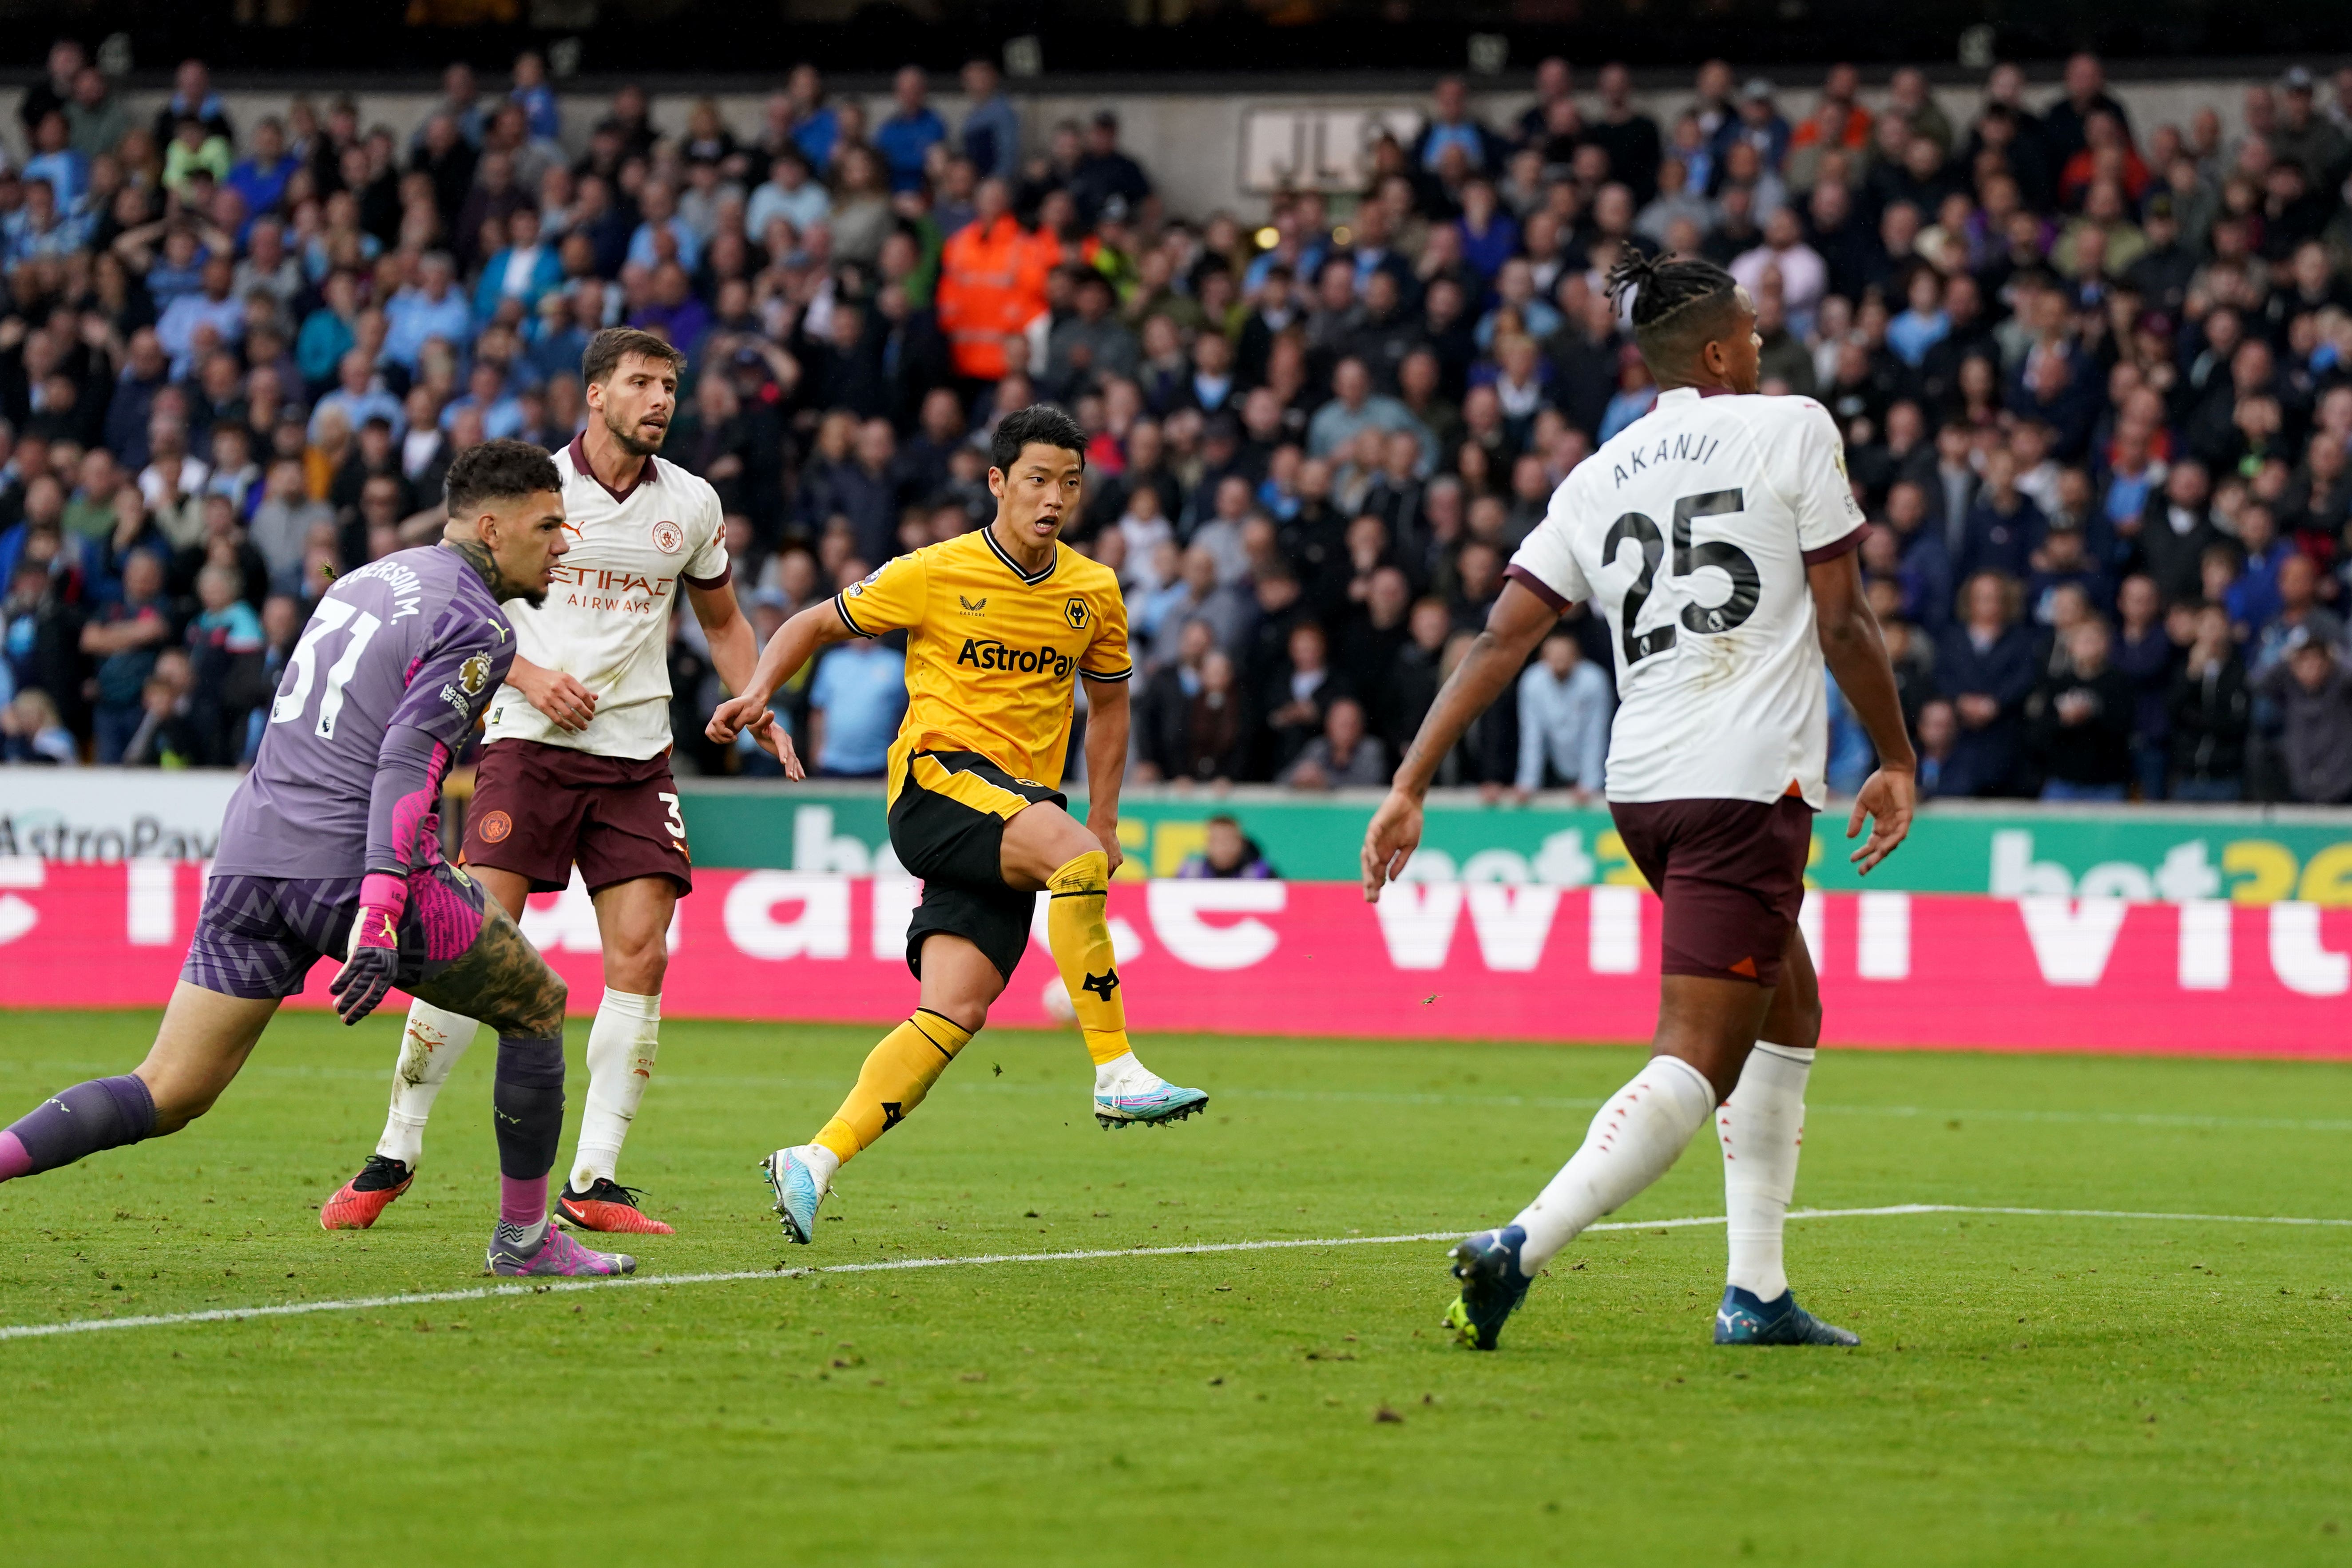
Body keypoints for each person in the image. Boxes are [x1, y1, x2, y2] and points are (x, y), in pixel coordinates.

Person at [1362, 252, 1915, 1353]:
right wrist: (1895, 756)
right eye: (1752, 330)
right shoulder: (1794, 424)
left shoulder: (1598, 473)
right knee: (1699, 1053)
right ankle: (1520, 1241)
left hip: (1644, 784)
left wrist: (1410, 779)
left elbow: (1501, 636)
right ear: (1717, 352)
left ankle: (1756, 1291)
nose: (1764, 343)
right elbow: (1846, 622)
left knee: (1787, 1005)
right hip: (1744, 780)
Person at [0, 441, 635, 1279]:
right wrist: (378, 908)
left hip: (251, 855)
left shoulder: (366, 578)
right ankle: (525, 1240)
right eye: (549, 525)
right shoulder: (476, 620)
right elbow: (406, 765)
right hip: (349, 863)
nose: (564, 544)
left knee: (170, 1089)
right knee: (536, 1004)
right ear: (493, 527)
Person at [707, 405, 1209, 1246]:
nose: (1054, 499)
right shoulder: (936, 571)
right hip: (938, 785)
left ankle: (813, 1158)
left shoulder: (1093, 591)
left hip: (1016, 815)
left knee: (953, 1012)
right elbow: (812, 622)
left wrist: (1105, 817)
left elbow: (1112, 705)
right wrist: (760, 690)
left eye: (1071, 484)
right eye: (1039, 480)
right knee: (1076, 865)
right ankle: (1116, 1069)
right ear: (998, 484)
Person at [322, 329, 760, 1238]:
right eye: (641, 382)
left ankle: (596, 1176)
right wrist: (527, 677)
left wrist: (753, 694)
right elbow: (461, 604)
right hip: (528, 743)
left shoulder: (694, 502)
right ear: (594, 394)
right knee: (473, 944)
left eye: (670, 385)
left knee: (642, 954)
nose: (660, 399)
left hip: (637, 754)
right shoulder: (533, 497)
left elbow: (722, 619)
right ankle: (396, 1148)